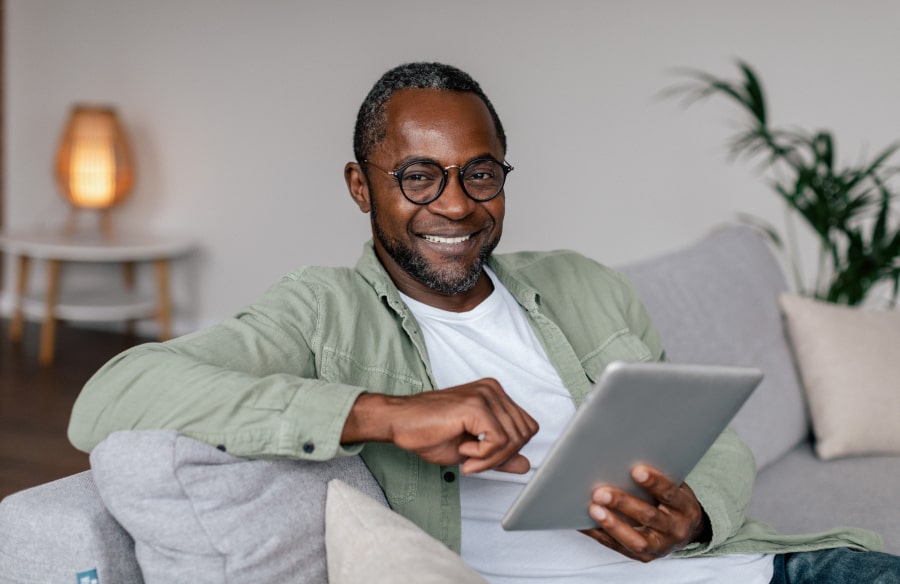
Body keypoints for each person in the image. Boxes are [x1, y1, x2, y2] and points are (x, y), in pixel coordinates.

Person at [69, 62, 898, 583]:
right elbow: (111, 394)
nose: (458, 204)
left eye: (481, 173)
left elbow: (707, 436)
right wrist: (386, 414)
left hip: (752, 567)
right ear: (363, 187)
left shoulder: (580, 284)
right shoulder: (322, 310)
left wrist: (697, 512)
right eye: (420, 177)